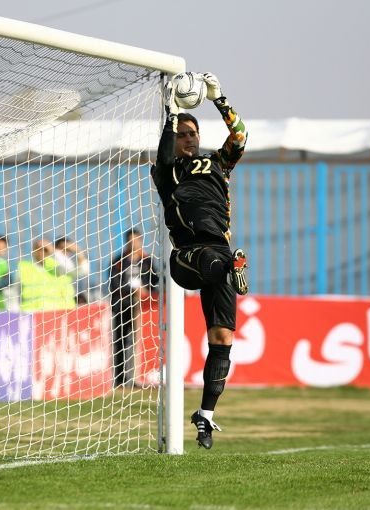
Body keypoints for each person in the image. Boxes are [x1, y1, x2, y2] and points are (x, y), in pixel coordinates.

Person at [150, 72, 248, 449]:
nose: (190, 139)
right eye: (182, 134)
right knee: (213, 259)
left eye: (193, 134)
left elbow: (240, 136)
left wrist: (220, 99)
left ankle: (205, 415)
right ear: (173, 139)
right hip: (187, 256)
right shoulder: (167, 171)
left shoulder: (219, 163)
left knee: (222, 338)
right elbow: (162, 155)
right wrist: (171, 114)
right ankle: (231, 270)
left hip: (222, 255)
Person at [108, 228, 158, 388]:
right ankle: (120, 378)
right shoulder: (118, 262)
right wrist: (130, 289)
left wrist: (145, 290)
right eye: (130, 240)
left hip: (142, 307)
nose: (133, 243)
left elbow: (155, 281)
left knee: (139, 341)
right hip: (122, 305)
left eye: (136, 240)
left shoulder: (147, 261)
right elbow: (113, 284)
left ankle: (138, 376)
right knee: (120, 341)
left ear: (140, 241)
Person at [17, 238, 76, 312]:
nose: (42, 252)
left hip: (59, 312)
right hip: (32, 313)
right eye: (39, 249)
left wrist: (53, 252)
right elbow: (15, 292)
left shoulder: (57, 266)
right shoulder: (24, 266)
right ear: (33, 250)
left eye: (45, 249)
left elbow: (71, 270)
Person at [53, 237, 91, 304]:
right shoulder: (55, 256)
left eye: (68, 250)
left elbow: (85, 271)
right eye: (64, 248)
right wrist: (78, 251)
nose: (66, 251)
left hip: (67, 298)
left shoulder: (69, 260)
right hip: (57, 298)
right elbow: (79, 272)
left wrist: (79, 252)